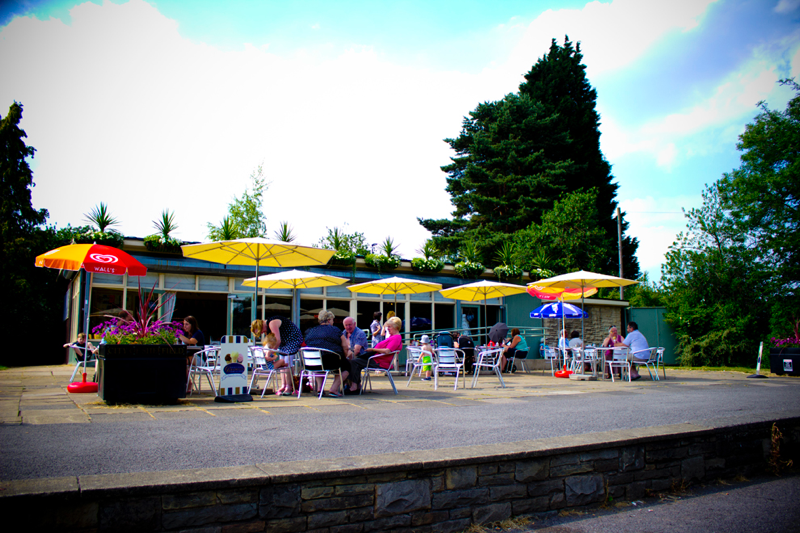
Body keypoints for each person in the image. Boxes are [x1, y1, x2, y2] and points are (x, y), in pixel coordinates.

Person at [304, 310, 351, 397]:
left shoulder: (311, 331)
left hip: (313, 363)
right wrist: (343, 357)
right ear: (329, 320)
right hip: (331, 362)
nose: (333, 322)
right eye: (333, 320)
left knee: (319, 364)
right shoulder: (335, 330)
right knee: (346, 366)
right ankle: (334, 389)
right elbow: (345, 346)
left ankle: (319, 389)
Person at [350, 316, 402, 390]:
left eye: (389, 327)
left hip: (380, 362)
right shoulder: (393, 337)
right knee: (356, 361)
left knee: (354, 362)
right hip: (377, 359)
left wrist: (373, 349)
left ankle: (354, 385)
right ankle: (356, 385)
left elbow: (387, 351)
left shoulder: (395, 338)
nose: (388, 329)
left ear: (396, 327)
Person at [263, 315, 303, 395]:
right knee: (285, 363)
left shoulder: (272, 323)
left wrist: (272, 351)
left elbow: (277, 340)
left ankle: (288, 386)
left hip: (292, 340)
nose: (263, 333)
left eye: (262, 331)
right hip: (286, 341)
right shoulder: (271, 324)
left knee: (287, 362)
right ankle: (284, 385)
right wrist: (273, 353)